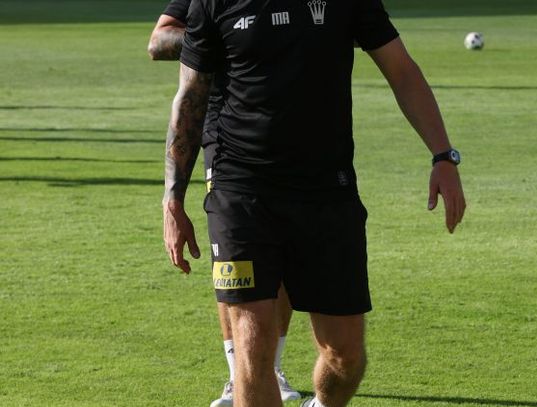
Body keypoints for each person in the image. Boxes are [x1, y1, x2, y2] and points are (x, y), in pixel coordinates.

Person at [162, 0, 466, 405]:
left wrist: (443, 156)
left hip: (327, 188)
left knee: (345, 357)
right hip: (241, 187)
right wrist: (173, 199)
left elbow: (401, 70)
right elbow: (190, 97)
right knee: (253, 347)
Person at [148, 1, 301, 406]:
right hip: (228, 129)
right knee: (234, 255)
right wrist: (227, 35)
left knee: (284, 250)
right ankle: (239, 375)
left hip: (299, 126)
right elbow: (159, 41)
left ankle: (271, 368)